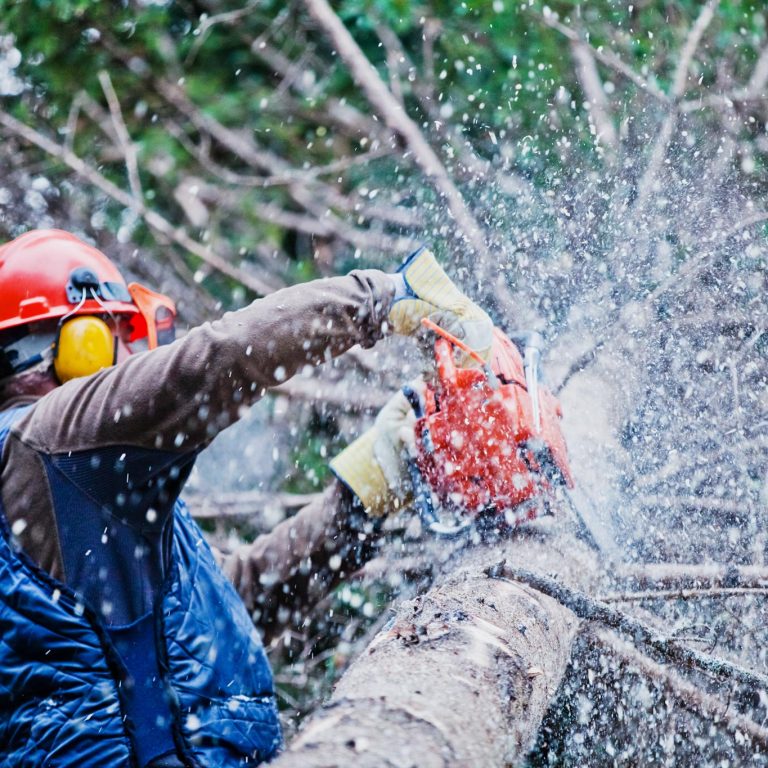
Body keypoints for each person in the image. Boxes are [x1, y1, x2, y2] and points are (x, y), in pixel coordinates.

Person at [0, 229, 492, 768]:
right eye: (118, 335)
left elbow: (218, 620)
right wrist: (384, 297)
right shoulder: (47, 442)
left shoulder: (72, 484)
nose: (129, 357)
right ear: (78, 345)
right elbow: (214, 362)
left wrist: (361, 496)